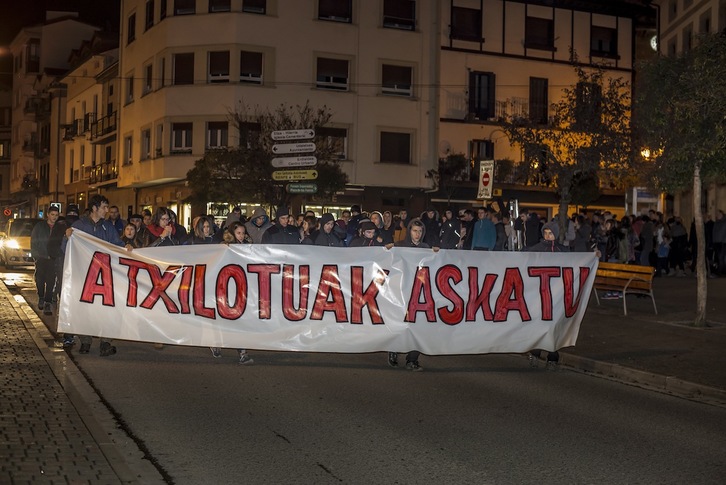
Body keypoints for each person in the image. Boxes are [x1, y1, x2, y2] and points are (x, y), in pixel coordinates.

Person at [65, 195, 134, 356]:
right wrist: (67, 237)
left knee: (108, 308)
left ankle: (105, 342)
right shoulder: (78, 227)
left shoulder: (108, 227)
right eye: (103, 207)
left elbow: (116, 245)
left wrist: (126, 247)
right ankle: (86, 341)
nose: (106, 210)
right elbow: (65, 249)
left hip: (104, 276)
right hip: (84, 276)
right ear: (94, 208)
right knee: (85, 308)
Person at [386, 218, 438, 372]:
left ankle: (412, 360)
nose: (417, 234)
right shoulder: (400, 246)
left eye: (420, 231)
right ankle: (393, 350)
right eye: (415, 231)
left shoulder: (425, 247)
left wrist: (436, 254)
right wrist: (387, 249)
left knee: (417, 326)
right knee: (399, 323)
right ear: (409, 231)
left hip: (419, 294)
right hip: (401, 292)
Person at [522, 221, 569, 369]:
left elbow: (579, 260)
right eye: (546, 233)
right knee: (539, 324)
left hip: (557, 296)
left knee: (554, 326)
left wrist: (595, 255)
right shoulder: (536, 249)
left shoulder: (563, 251)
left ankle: (553, 357)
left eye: (551, 233)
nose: (548, 236)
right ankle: (535, 353)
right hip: (539, 295)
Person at [48, 204, 80, 347]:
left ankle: (73, 331)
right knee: (66, 297)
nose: (72, 216)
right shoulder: (60, 226)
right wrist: (60, 257)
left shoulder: (81, 226)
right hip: (63, 265)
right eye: (70, 213)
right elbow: (52, 246)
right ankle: (68, 332)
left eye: (75, 213)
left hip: (78, 267)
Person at [31, 205, 60, 315]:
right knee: (39, 279)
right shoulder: (40, 226)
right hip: (41, 257)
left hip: (53, 259)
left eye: (56, 215)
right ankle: (41, 297)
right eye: (52, 214)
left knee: (51, 281)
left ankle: (48, 302)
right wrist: (36, 255)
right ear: (48, 215)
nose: (54, 217)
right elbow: (34, 240)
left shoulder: (59, 227)